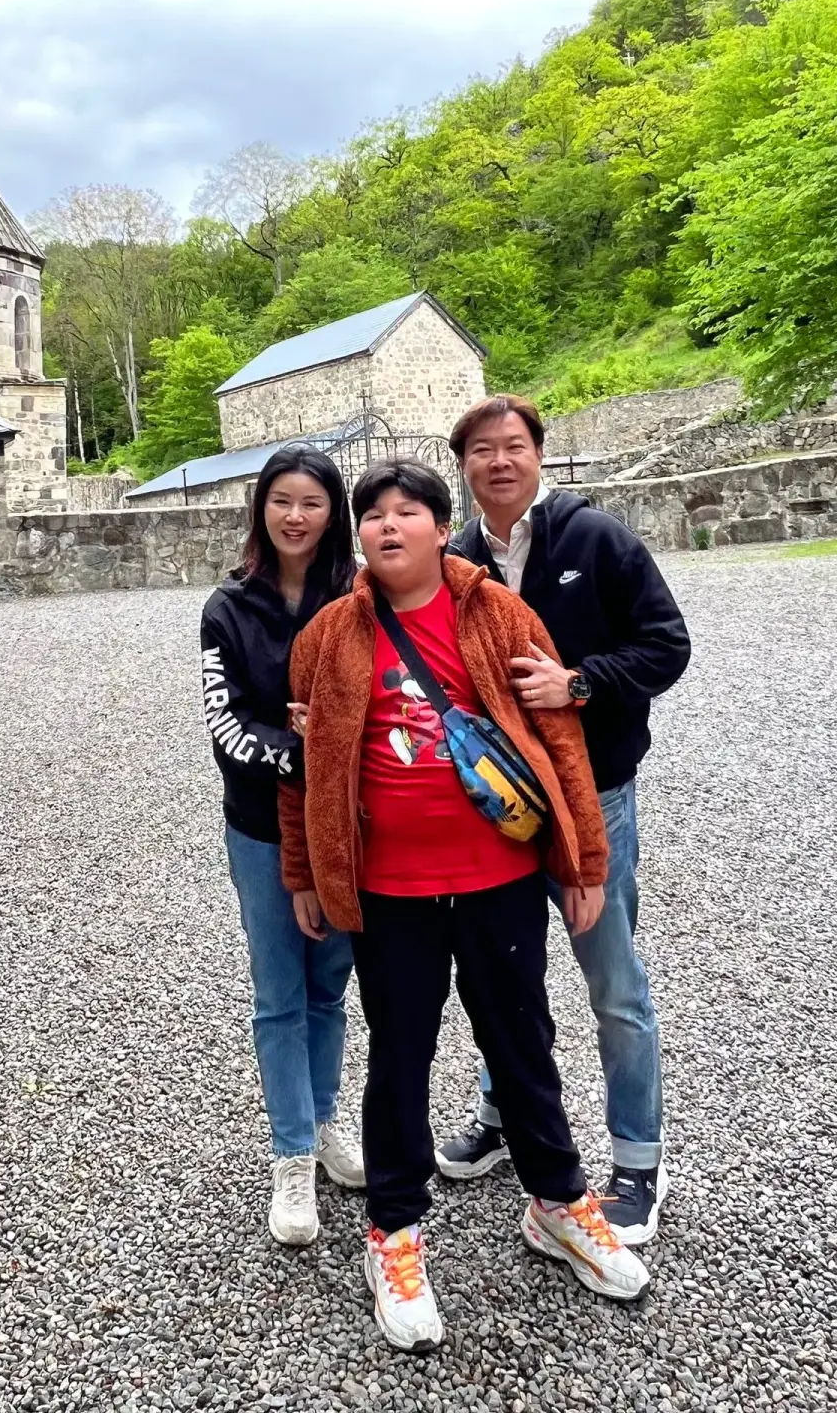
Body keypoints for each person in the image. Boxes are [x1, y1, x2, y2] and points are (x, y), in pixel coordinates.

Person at [281, 460, 650, 1353]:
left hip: (500, 882)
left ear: (441, 529)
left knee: (522, 1045)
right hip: (391, 893)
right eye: (373, 516)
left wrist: (583, 859)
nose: (388, 526)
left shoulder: (497, 613)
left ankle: (559, 1205)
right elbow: (309, 773)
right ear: (358, 537)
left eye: (408, 512)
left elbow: (558, 737)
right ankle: (395, 1235)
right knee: (400, 1061)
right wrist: (304, 873)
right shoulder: (329, 635)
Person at [435, 394, 691, 1247]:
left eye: (514, 447)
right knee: (506, 977)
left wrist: (578, 683)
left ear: (539, 456)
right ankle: (505, 1117)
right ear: (464, 466)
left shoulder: (596, 539)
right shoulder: (458, 557)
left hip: (597, 798)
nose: (499, 462)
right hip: (504, 812)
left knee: (614, 981)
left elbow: (667, 646)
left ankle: (637, 1162)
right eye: (482, 451)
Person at [200, 446, 366, 1247]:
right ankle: (292, 1154)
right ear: (261, 508)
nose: (295, 516)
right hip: (263, 826)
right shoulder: (228, 607)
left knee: (331, 984)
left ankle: (325, 1119)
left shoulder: (359, 595)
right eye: (281, 501)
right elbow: (225, 724)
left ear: (333, 513)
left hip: (346, 826)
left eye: (312, 502)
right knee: (279, 992)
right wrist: (301, 752)